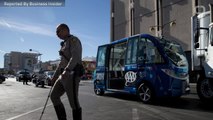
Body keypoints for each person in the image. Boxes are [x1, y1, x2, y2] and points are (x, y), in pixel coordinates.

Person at [50, 23, 82, 120]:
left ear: (65, 30)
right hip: (62, 75)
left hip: (71, 74)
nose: (56, 34)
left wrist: (67, 70)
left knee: (73, 103)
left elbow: (75, 56)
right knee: (54, 96)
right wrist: (55, 76)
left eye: (58, 31)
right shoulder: (64, 44)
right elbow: (61, 63)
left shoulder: (73, 40)